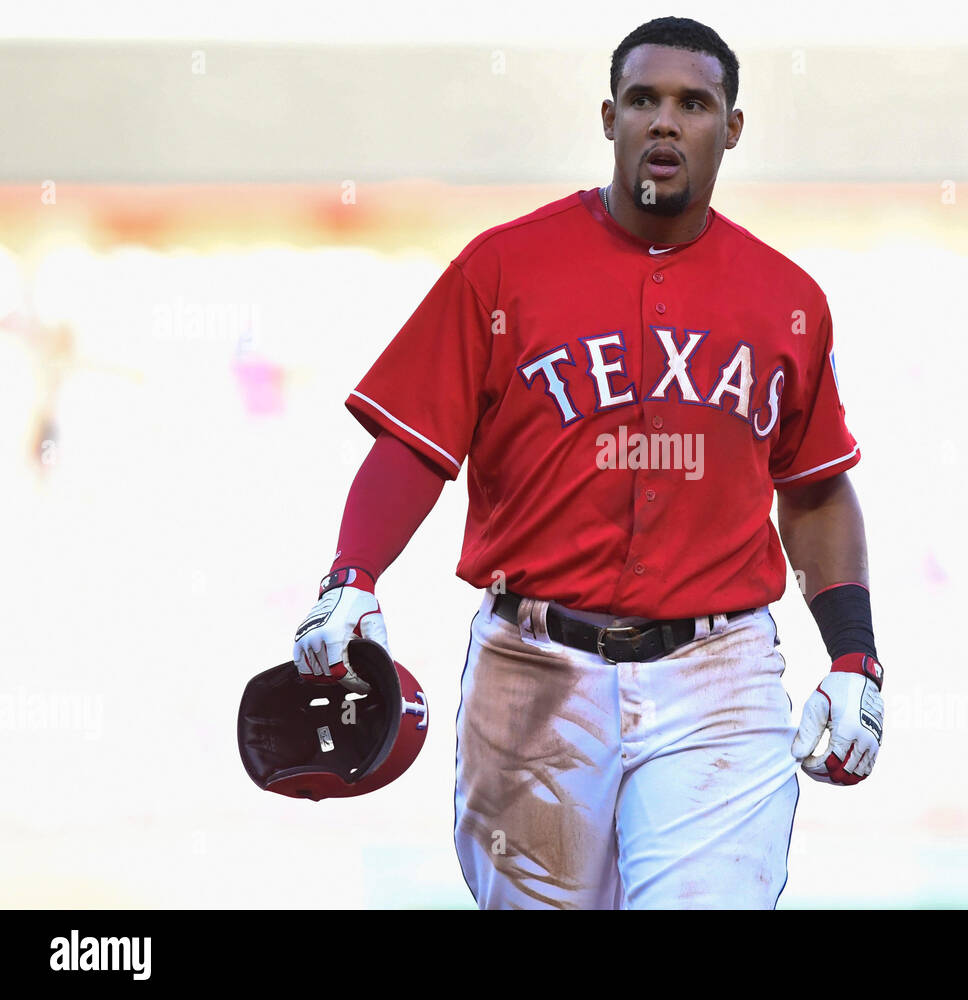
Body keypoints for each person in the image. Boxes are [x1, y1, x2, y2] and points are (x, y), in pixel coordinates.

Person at [292, 15, 884, 909]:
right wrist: (352, 576)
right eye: (643, 100)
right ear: (609, 118)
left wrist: (854, 658)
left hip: (718, 673)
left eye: (694, 103)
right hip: (531, 669)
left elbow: (815, 490)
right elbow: (415, 443)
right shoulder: (501, 268)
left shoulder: (788, 299)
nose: (665, 122)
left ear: (731, 128)